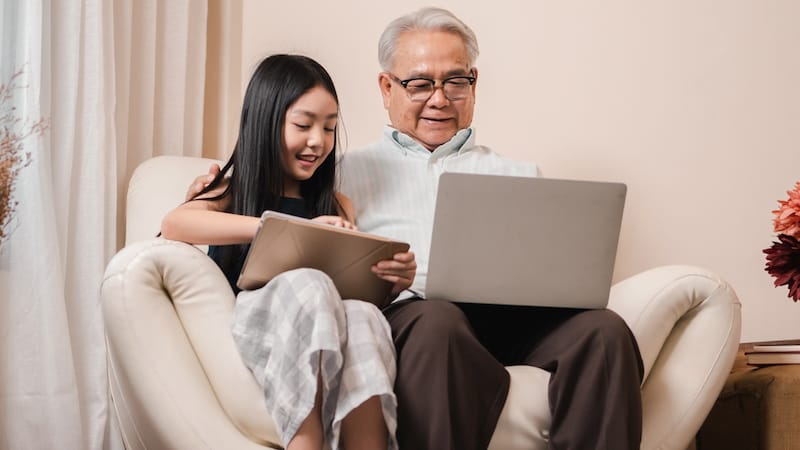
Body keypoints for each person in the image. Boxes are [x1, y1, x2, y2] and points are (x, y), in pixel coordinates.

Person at [190, 8, 643, 450]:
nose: (440, 99)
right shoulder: (340, 172)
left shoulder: (519, 173)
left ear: (474, 84)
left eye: (456, 81)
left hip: (511, 317)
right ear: (387, 88)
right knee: (438, 319)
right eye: (420, 83)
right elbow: (273, 201)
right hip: (418, 317)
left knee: (605, 331)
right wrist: (216, 188)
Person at [162, 54, 416, 450]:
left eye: (330, 128)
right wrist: (277, 229)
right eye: (303, 125)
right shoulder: (233, 190)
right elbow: (176, 224)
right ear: (266, 122)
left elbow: (353, 290)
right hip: (261, 322)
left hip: (325, 326)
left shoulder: (338, 204)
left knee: (363, 314)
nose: (318, 141)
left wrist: (393, 281)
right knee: (310, 285)